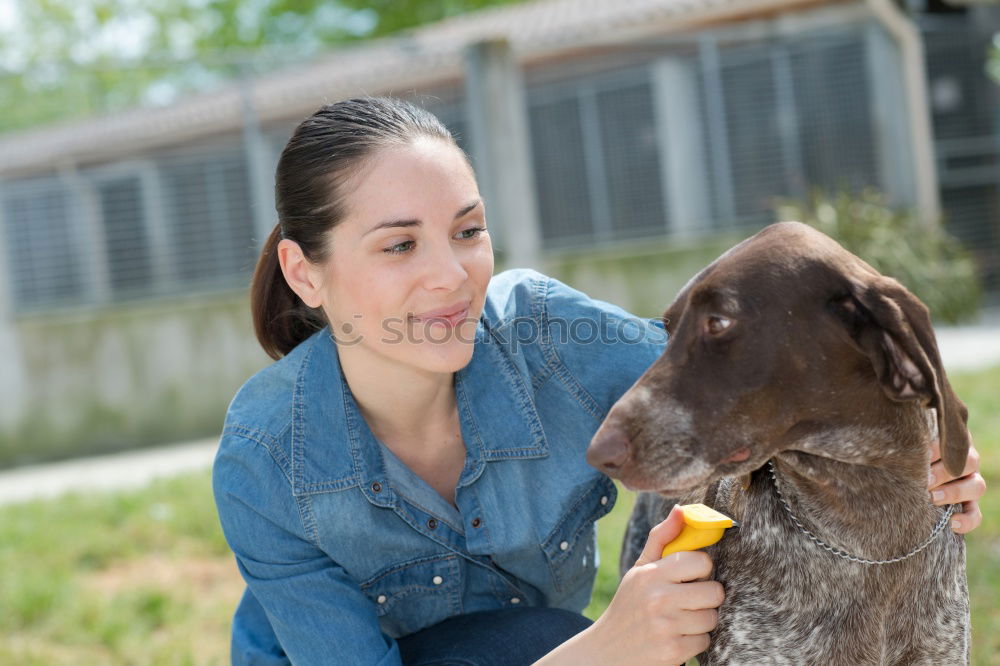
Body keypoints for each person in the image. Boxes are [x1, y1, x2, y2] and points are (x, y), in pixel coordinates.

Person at [212, 96, 986, 666]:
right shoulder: (264, 459)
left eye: (468, 231)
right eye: (398, 246)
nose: (451, 277)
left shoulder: (549, 337)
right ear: (303, 272)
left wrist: (935, 454)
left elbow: (742, 379)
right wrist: (604, 651)